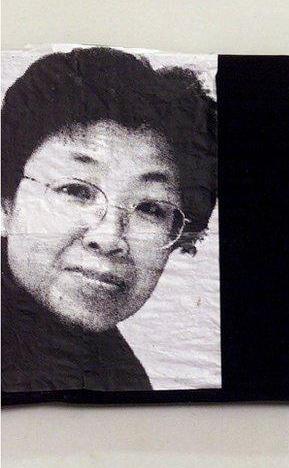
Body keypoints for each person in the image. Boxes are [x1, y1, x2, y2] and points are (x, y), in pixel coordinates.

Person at [1, 47, 218, 392]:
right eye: (75, 190)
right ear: (6, 204)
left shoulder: (117, 371)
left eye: (150, 208)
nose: (109, 237)